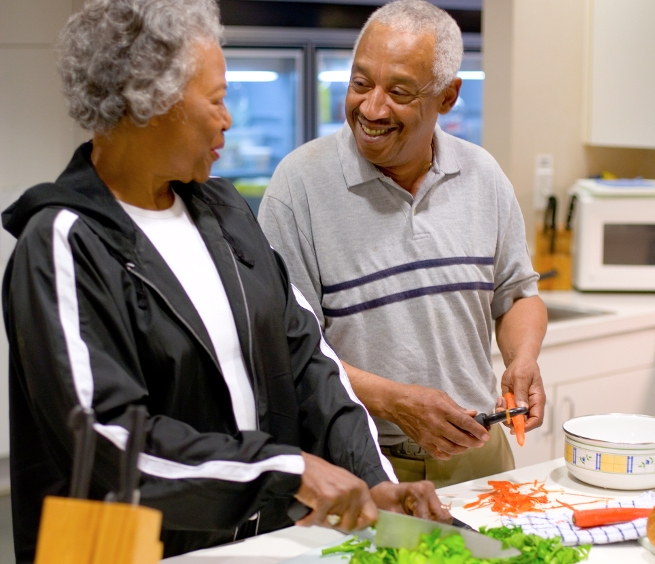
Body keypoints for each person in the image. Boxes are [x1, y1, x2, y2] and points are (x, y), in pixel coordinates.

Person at [1, 1, 451, 562]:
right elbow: (107, 440)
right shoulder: (64, 240)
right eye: (216, 100)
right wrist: (286, 470)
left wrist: (370, 475)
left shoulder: (223, 211)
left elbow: (307, 356)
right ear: (151, 103)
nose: (228, 119)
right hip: (118, 549)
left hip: (248, 543)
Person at [258, 0, 548, 488]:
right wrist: (396, 402)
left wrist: (523, 359)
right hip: (359, 457)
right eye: (360, 83)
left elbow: (517, 294)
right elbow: (286, 350)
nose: (371, 109)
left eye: (399, 92)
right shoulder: (298, 187)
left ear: (448, 97)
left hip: (480, 453)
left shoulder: (482, 175)